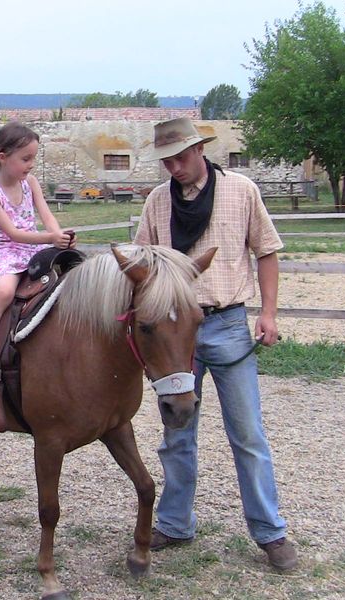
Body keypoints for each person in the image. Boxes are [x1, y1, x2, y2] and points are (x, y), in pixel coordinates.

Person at [134, 117, 297, 572]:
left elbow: (266, 251)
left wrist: (268, 312)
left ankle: (270, 531)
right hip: (174, 333)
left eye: (180, 157)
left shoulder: (241, 191)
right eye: (166, 161)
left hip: (226, 323)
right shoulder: (157, 201)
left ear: (199, 150)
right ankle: (175, 523)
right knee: (176, 433)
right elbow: (143, 264)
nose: (174, 167)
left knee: (247, 433)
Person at [0, 121, 74, 397]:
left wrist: (60, 236)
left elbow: (46, 215)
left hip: (34, 247)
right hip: (6, 252)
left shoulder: (29, 182)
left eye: (33, 158)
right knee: (5, 292)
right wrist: (50, 238)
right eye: (26, 159)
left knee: (71, 277)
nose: (31, 165)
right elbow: (13, 233)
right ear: (3, 157)